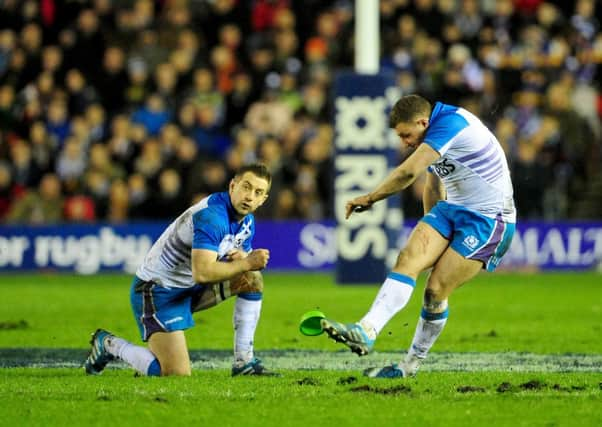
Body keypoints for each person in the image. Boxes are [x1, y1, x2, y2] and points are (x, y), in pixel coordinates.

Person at [321, 94, 516, 378]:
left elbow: (409, 172)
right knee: (407, 259)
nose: (405, 143)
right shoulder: (435, 133)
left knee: (435, 291)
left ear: (423, 122)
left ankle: (408, 367)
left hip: (490, 220)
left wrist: (372, 197)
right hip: (452, 209)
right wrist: (431, 227)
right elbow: (434, 184)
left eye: (406, 135)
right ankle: (366, 330)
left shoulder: (451, 123)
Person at [84, 163, 278, 377]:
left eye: (258, 192)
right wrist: (247, 262)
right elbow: (203, 273)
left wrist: (244, 260)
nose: (249, 196)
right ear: (232, 186)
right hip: (157, 291)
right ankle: (109, 344)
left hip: (188, 288)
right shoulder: (213, 217)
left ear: (263, 200)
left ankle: (244, 362)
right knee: (175, 373)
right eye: (246, 187)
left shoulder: (247, 222)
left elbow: (239, 259)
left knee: (252, 279)